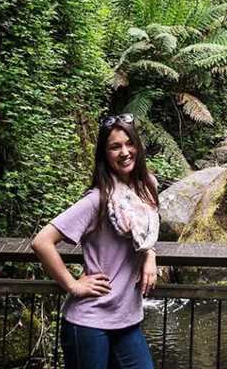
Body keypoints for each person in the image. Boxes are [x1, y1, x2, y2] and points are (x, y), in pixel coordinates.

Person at [32, 114, 159, 369]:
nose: (124, 152)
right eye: (115, 147)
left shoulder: (147, 189)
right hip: (89, 322)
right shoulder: (97, 201)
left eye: (129, 143)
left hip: (127, 320)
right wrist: (73, 285)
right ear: (105, 154)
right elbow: (42, 241)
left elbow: (142, 238)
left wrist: (150, 255)